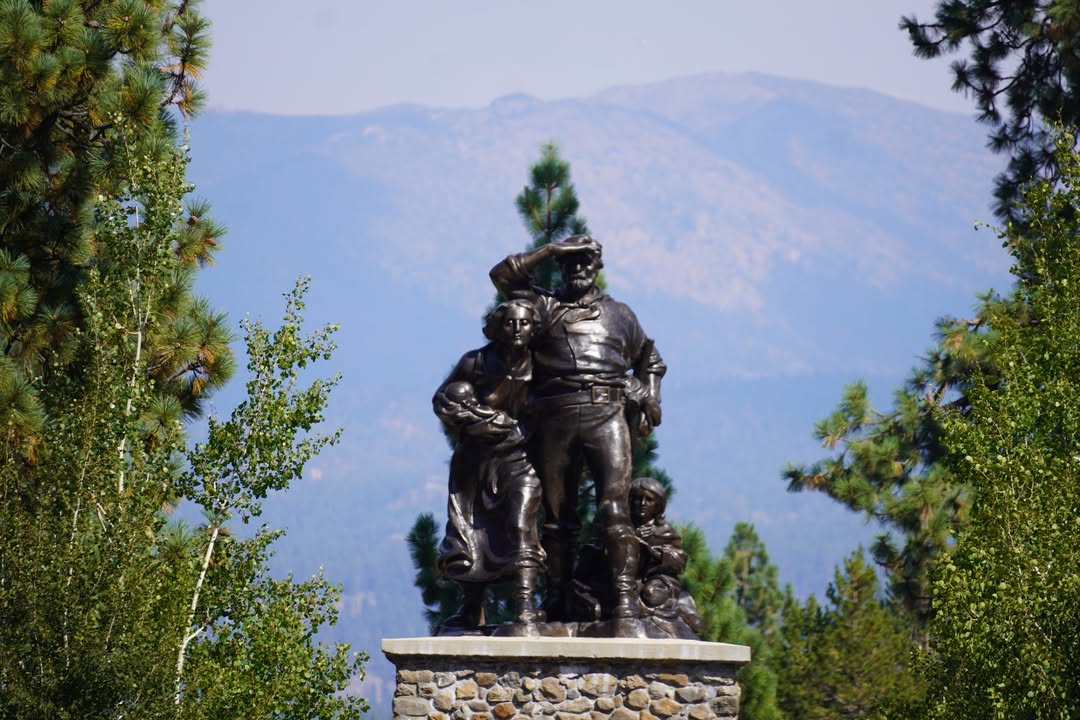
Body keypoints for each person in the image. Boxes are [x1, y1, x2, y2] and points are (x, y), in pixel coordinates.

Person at [489, 235, 666, 621]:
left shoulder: (621, 314)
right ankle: (557, 597)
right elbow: (502, 275)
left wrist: (650, 397)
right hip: (555, 418)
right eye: (571, 262)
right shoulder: (545, 306)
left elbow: (649, 358)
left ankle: (623, 603)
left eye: (586, 261)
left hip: (607, 415)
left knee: (614, 511)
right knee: (557, 518)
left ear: (598, 266)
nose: (579, 268)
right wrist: (551, 250)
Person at [433, 299, 545, 627]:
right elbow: (442, 400)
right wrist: (473, 422)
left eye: (524, 323)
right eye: (509, 322)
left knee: (521, 522)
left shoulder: (541, 365)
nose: (516, 329)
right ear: (496, 327)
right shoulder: (476, 363)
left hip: (520, 459)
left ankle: (525, 605)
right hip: (475, 461)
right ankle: (472, 607)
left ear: (534, 327)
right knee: (469, 530)